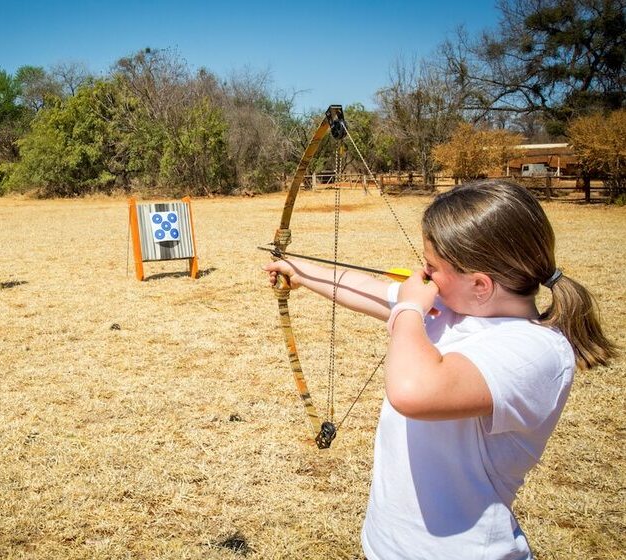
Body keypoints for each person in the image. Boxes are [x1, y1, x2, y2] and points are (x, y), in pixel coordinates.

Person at [263, 179, 616, 559]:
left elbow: (412, 391)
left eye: (432, 267)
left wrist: (409, 308)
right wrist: (298, 270)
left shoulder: (536, 351)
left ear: (480, 284)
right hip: (390, 545)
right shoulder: (453, 308)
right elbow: (362, 287)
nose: (423, 274)